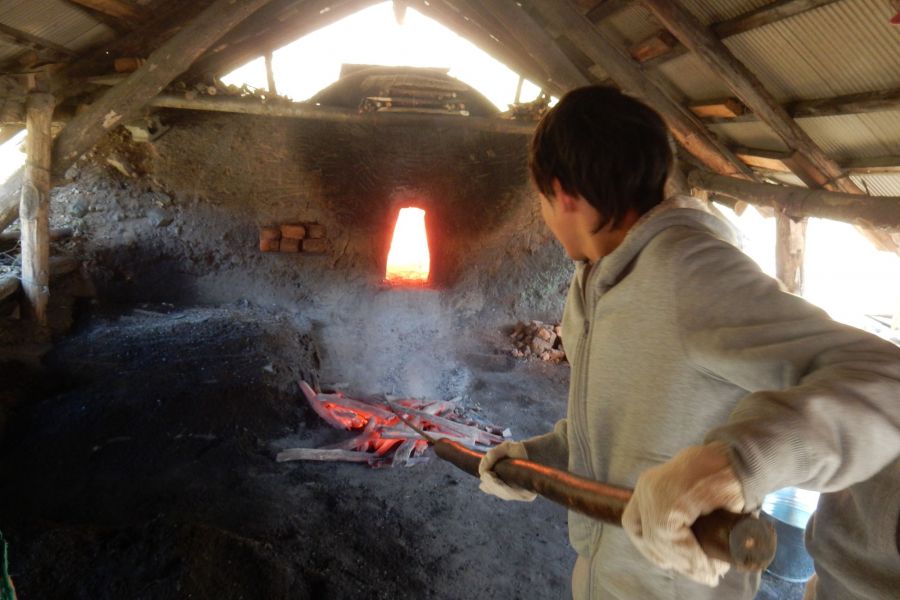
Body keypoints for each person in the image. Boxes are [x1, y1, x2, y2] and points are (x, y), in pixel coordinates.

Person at [477, 85, 900, 600]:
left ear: (563, 194)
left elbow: (884, 380)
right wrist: (537, 460)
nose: (546, 215)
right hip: (607, 579)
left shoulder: (693, 275)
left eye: (543, 201)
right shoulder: (596, 282)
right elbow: (618, 430)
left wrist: (740, 465)